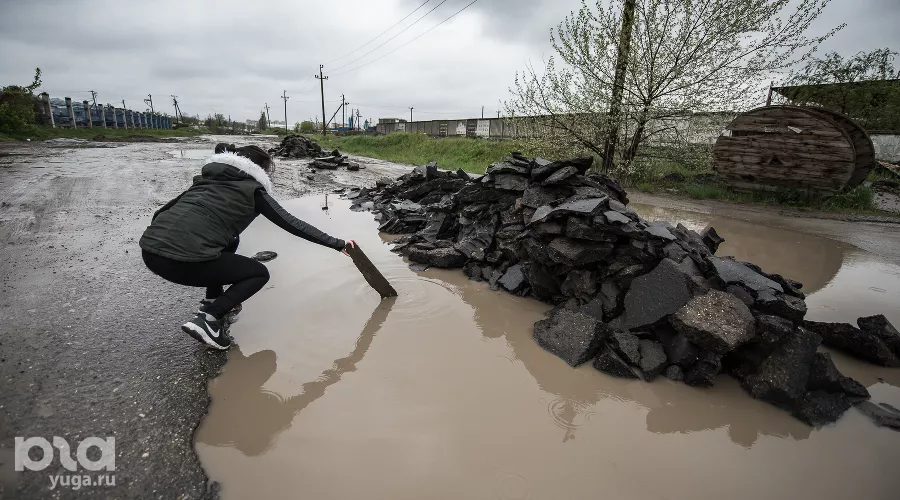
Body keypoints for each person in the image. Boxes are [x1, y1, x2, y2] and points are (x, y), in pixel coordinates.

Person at [140, 143, 354, 350]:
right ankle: (209, 319)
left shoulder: (204, 181)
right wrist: (337, 244)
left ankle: (211, 300)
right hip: (182, 264)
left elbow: (159, 214)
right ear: (260, 170)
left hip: (150, 254)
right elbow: (292, 223)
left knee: (231, 239)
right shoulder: (253, 190)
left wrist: (160, 246)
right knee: (259, 273)